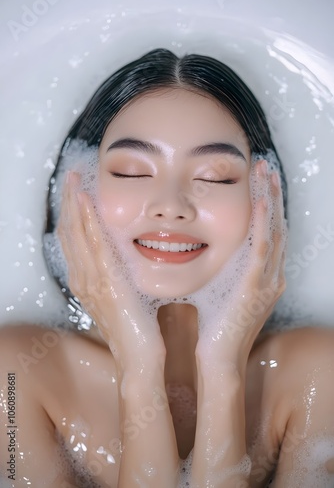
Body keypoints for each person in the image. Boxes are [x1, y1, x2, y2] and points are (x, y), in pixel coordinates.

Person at [1, 48, 334, 488]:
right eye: (132, 172)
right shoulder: (13, 374)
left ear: (265, 199)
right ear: (76, 189)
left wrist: (223, 372)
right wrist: (139, 367)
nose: (171, 207)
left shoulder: (321, 373)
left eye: (215, 176)